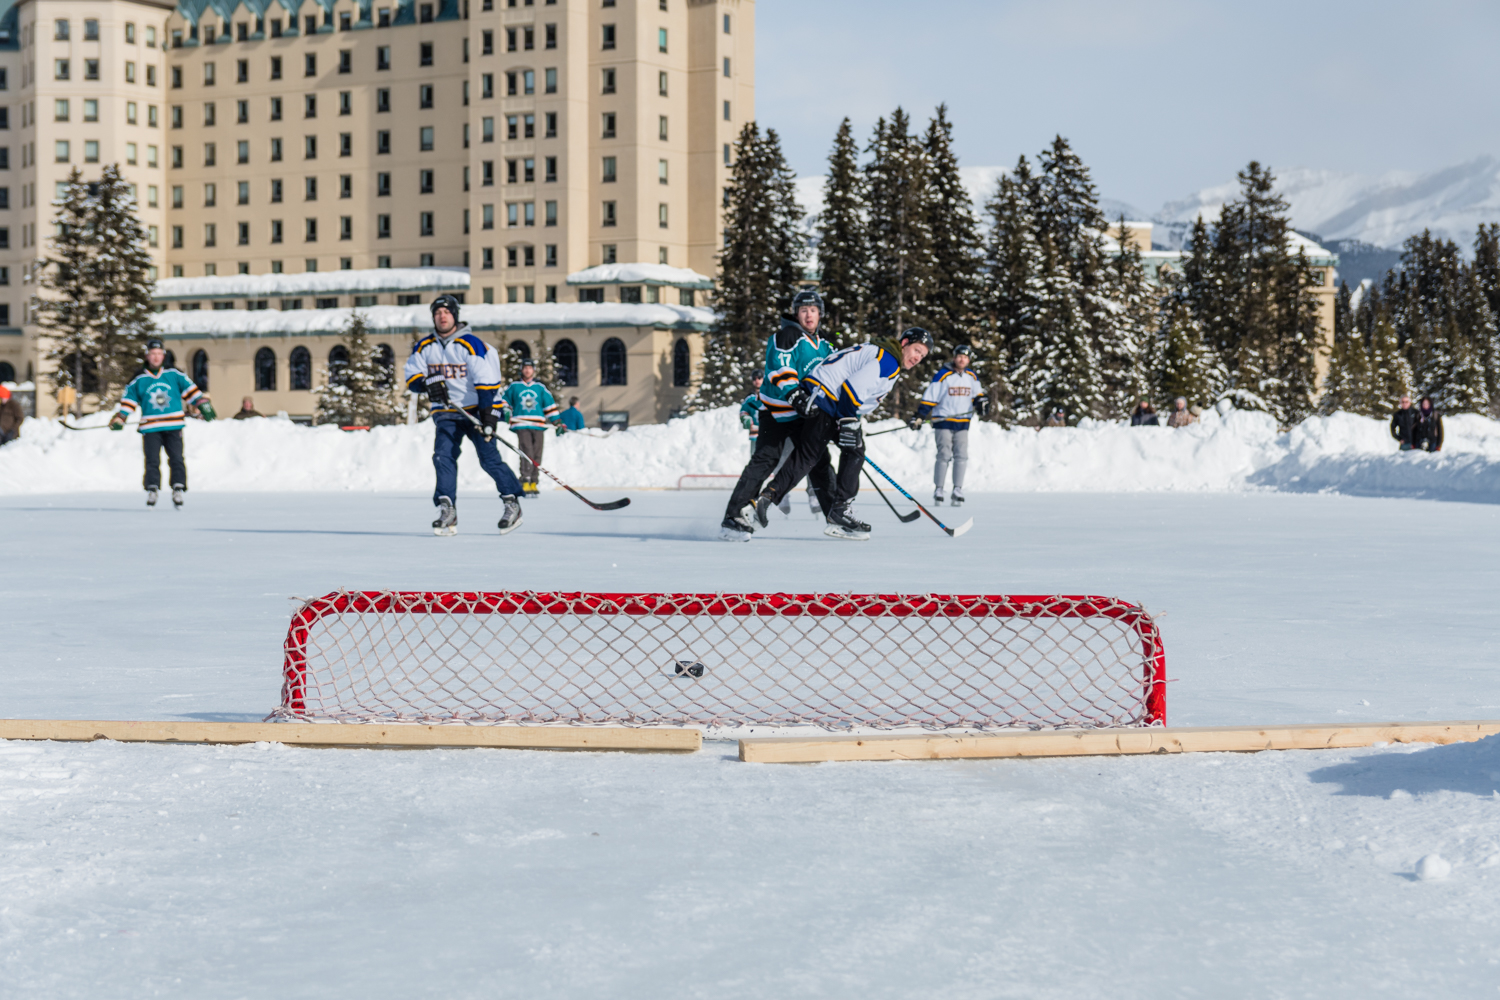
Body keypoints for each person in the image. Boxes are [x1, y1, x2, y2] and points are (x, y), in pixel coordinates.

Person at [752, 327, 932, 540]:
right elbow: (852, 389)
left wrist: (850, 419)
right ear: (904, 343)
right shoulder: (889, 360)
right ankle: (840, 511)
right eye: (916, 350)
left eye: (923, 355)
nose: (918, 357)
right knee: (854, 451)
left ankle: (767, 498)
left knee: (808, 455)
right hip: (829, 400)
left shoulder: (880, 352)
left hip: (819, 397)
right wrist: (848, 421)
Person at [403, 294, 525, 536]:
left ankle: (512, 503)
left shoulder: (472, 344)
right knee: (442, 456)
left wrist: (489, 416)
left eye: (447, 312)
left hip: (476, 410)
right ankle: (447, 509)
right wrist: (427, 384)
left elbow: (487, 383)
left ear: (455, 316)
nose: (442, 316)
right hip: (447, 413)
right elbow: (412, 376)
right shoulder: (424, 347)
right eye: (437, 313)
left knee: (489, 459)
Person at [720, 289, 836, 540]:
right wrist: (795, 395)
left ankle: (836, 516)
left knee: (819, 461)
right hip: (776, 411)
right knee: (765, 460)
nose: (808, 315)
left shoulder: (825, 344)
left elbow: (833, 377)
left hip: (802, 414)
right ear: (796, 313)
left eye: (813, 310)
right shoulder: (787, 335)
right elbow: (779, 366)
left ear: (820, 314)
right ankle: (733, 517)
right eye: (803, 310)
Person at [108, 337, 217, 507]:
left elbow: (191, 391)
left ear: (163, 355)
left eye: (159, 353)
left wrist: (203, 404)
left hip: (174, 425)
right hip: (151, 427)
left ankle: (178, 488)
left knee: (176, 458)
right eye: (153, 354)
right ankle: (152, 489)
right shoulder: (138, 378)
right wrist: (121, 417)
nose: (156, 357)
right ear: (147, 356)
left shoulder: (173, 374)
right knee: (152, 459)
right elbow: (129, 400)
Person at [911, 344, 988, 506]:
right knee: (944, 455)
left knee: (961, 456)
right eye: (959, 356)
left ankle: (957, 489)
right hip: (943, 421)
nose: (962, 359)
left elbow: (977, 395)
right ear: (954, 358)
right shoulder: (942, 375)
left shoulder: (971, 377)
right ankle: (939, 489)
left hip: (962, 423)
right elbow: (930, 397)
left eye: (965, 357)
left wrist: (981, 403)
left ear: (968, 360)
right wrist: (920, 415)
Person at [496, 358, 562, 497]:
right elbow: (504, 400)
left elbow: (549, 405)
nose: (527, 370)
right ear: (522, 369)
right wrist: (506, 410)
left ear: (533, 370)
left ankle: (534, 481)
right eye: (525, 368)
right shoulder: (514, 386)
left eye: (530, 368)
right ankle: (525, 480)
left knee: (537, 453)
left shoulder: (540, 388)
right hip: (521, 424)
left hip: (538, 424)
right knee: (527, 452)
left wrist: (557, 422)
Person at [739, 371, 765, 450]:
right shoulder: (750, 398)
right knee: (756, 459)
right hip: (755, 436)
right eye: (754, 378)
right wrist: (746, 418)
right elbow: (743, 412)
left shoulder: (770, 395)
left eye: (759, 378)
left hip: (770, 435)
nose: (757, 381)